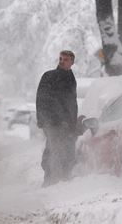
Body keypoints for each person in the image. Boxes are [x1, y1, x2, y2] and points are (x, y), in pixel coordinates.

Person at [36, 49, 79, 187]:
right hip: (52, 122)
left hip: (67, 124)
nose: (62, 61)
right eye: (61, 58)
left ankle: (62, 180)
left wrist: (73, 121)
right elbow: (43, 100)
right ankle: (51, 181)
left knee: (65, 150)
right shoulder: (50, 76)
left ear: (72, 62)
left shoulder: (71, 78)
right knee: (55, 150)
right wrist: (46, 120)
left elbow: (72, 102)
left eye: (65, 59)